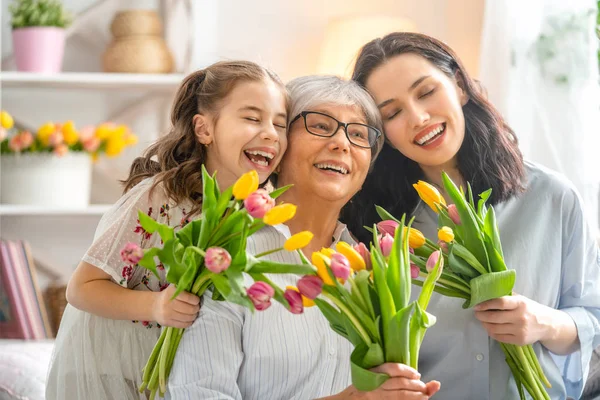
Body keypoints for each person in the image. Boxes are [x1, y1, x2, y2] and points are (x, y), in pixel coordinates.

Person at [341, 31, 600, 400]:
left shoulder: (551, 197)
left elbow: (593, 314)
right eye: (393, 113)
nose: (418, 117)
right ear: (382, 134)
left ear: (459, 86)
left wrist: (544, 323)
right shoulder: (381, 229)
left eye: (426, 92)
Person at [166, 75, 441, 400]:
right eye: (321, 126)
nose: (342, 144)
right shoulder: (229, 257)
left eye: (358, 134)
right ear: (277, 144)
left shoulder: (372, 271)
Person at [45, 60, 289, 400]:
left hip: (172, 373)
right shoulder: (161, 196)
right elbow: (81, 289)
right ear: (204, 130)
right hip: (111, 370)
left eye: (281, 123)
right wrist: (156, 306)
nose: (270, 134)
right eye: (252, 118)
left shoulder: (251, 209)